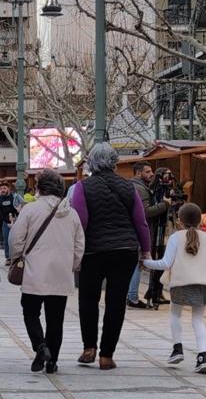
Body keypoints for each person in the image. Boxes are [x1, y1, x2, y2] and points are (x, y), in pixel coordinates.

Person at [68, 143, 152, 370]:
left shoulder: (82, 188)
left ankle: (89, 348)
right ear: (114, 161)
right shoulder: (128, 187)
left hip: (93, 251)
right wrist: (145, 251)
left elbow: (80, 222)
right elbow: (140, 222)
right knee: (116, 302)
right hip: (124, 250)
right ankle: (107, 355)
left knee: (88, 299)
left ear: (91, 162)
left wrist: (75, 252)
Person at [8, 168, 85, 374]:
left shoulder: (30, 210)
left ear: (39, 188)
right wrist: (73, 264)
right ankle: (52, 361)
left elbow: (16, 238)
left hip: (35, 270)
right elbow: (80, 244)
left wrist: (17, 257)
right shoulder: (72, 213)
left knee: (30, 311)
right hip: (61, 272)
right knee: (55, 319)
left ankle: (40, 346)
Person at [143, 203, 206, 374]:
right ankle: (203, 357)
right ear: (200, 220)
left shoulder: (176, 237)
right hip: (203, 284)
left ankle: (177, 349)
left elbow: (166, 263)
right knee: (198, 320)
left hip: (181, 283)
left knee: (175, 314)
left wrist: (146, 262)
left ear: (180, 221)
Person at [127, 162, 170, 309]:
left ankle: (131, 295)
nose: (151, 174)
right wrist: (165, 204)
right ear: (138, 173)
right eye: (148, 171)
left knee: (135, 264)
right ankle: (132, 297)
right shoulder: (141, 189)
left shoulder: (134, 186)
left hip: (133, 230)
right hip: (139, 231)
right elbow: (145, 212)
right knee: (137, 264)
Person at [144, 167, 177, 306]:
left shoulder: (167, 190)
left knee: (165, 260)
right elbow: (152, 209)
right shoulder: (154, 191)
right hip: (157, 227)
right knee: (159, 259)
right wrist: (165, 203)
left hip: (167, 227)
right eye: (166, 175)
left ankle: (159, 291)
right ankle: (153, 291)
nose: (168, 178)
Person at [0, 184, 22, 263]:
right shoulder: (0, 198)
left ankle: (16, 256)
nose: (2, 190)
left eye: (4, 188)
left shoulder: (14, 197)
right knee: (6, 239)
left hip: (15, 221)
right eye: (1, 188)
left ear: (9, 189)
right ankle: (8, 257)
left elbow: (21, 205)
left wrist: (16, 216)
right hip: (5, 222)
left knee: (16, 239)